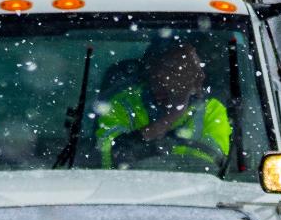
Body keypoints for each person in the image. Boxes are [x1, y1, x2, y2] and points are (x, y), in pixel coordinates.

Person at [95, 39, 231, 171]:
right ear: (158, 74)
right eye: (188, 71)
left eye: (198, 69)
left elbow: (210, 168)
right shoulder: (121, 105)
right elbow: (110, 160)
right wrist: (172, 115)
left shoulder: (211, 109)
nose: (200, 76)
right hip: (122, 189)